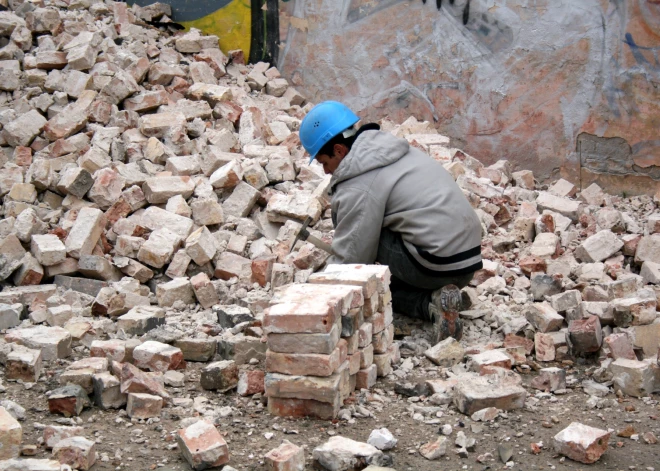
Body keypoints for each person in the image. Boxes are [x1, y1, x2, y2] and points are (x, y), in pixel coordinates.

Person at [299, 101, 483, 342]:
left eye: (324, 162)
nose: (325, 171)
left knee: (374, 278)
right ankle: (447, 296)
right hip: (467, 264)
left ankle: (430, 303)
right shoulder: (388, 149)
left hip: (434, 267)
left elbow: (352, 258)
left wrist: (317, 291)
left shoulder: (358, 181)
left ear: (340, 151)